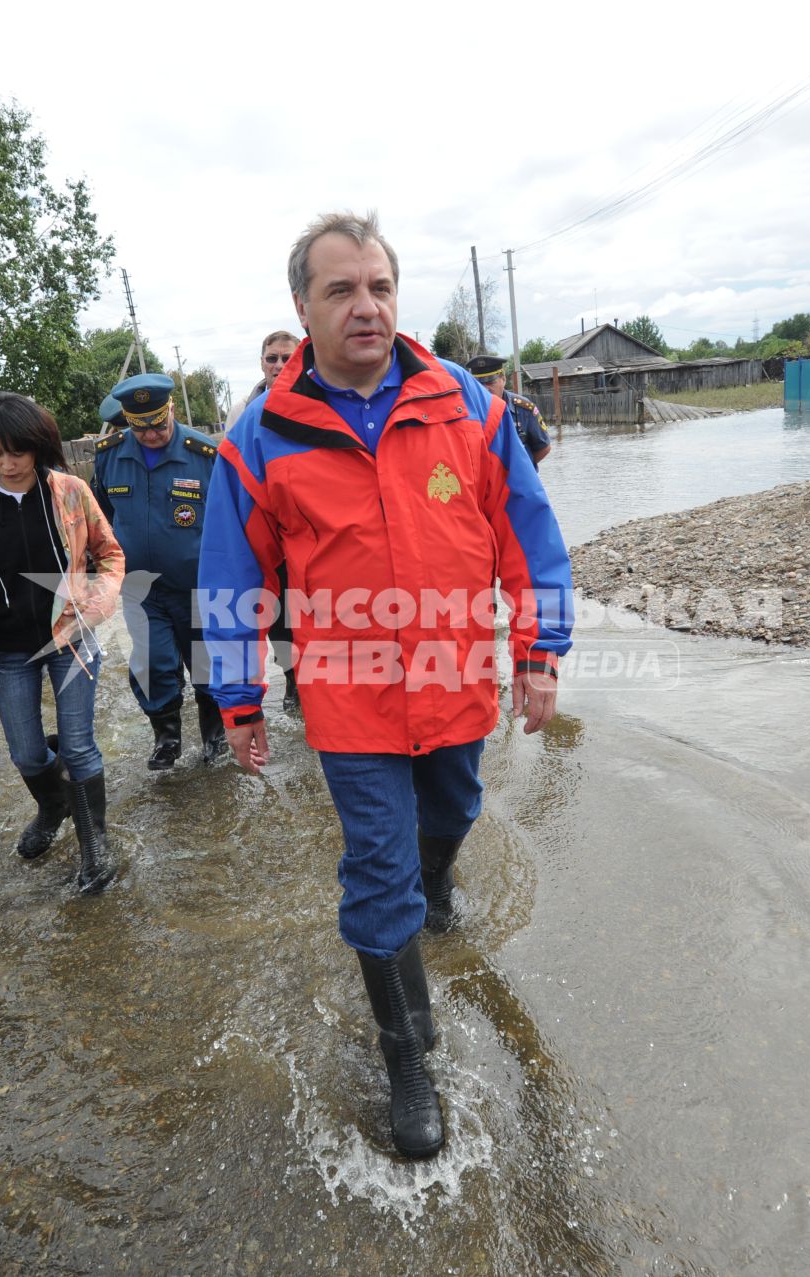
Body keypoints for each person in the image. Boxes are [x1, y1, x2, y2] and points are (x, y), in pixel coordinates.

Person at [197, 212, 574, 1159]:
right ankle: (408, 1048)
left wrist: (539, 648)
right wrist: (240, 702)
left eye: (378, 287)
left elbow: (527, 532)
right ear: (303, 306)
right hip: (348, 695)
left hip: (454, 681)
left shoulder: (468, 408)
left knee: (452, 809)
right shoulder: (261, 436)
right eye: (341, 290)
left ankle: (436, 874)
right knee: (375, 868)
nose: (365, 306)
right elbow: (233, 580)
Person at [0, 392, 125, 892]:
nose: (7, 464)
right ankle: (53, 804)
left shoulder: (69, 491)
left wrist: (99, 602)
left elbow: (109, 554)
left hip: (70, 639)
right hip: (7, 650)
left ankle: (95, 842)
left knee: (79, 744)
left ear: (38, 447)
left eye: (17, 453)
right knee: (26, 753)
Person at [90, 372, 227, 768]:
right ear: (127, 421)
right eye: (140, 427)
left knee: (204, 662)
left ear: (171, 410)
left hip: (198, 587)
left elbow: (226, 523)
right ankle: (166, 739)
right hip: (140, 590)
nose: (150, 435)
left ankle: (213, 734)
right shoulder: (110, 455)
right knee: (153, 663)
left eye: (158, 424)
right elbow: (100, 516)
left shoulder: (204, 455)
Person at [232, 331, 305, 712]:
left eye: (286, 357)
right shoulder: (245, 411)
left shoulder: (314, 402)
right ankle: (293, 679)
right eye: (271, 358)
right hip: (267, 533)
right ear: (262, 362)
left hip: (309, 529)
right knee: (276, 614)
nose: (279, 365)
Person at [466, 354, 552, 466]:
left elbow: (543, 447)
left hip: (517, 481)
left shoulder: (524, 409)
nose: (485, 389)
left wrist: (521, 469)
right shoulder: (466, 412)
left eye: (491, 383)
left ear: (503, 379)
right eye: (479, 384)